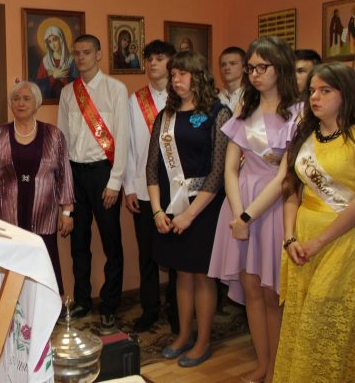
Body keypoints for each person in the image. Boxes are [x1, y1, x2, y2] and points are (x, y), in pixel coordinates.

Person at [208, 36, 301, 382]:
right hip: (240, 205)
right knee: (251, 292)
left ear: (281, 68)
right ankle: (262, 364)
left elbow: (285, 175)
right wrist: (237, 214)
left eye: (263, 67)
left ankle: (277, 368)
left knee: (270, 293)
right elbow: (230, 169)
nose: (255, 74)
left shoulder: (299, 112)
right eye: (251, 68)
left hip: (273, 208)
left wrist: (248, 216)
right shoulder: (245, 109)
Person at [274, 62, 355, 382]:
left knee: (323, 323)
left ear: (346, 94)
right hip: (302, 238)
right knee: (300, 320)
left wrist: (317, 243)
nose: (315, 97)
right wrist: (289, 238)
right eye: (312, 91)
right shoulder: (304, 136)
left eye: (325, 91)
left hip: (342, 240)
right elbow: (291, 191)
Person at [146, 51, 231, 367]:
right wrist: (157, 211)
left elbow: (218, 172)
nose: (176, 80)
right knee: (181, 274)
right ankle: (183, 336)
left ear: (199, 75)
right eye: (173, 75)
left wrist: (190, 215)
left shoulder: (218, 113)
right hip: (171, 206)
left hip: (204, 208)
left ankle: (203, 341)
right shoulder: (165, 116)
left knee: (202, 276)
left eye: (182, 73)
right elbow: (152, 167)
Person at [57, 34, 129, 335]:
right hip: (75, 173)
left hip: (104, 173)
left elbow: (123, 137)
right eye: (76, 53)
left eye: (87, 52)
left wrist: (115, 181)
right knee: (79, 242)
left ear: (99, 54)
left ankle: (110, 305)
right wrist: (64, 183)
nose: (81, 58)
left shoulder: (116, 89)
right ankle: (83, 300)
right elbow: (62, 138)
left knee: (112, 242)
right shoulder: (68, 92)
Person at [0, 81, 74, 294]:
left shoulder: (53, 134)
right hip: (7, 214)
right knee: (10, 264)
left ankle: (46, 307)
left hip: (43, 214)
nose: (20, 103)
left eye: (26, 98)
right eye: (16, 99)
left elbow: (64, 174)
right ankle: (10, 307)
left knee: (44, 263)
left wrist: (67, 211)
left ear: (37, 103)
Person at [124, 39, 179, 333]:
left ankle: (177, 309)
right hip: (145, 189)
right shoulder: (136, 100)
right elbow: (130, 146)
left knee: (176, 255)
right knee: (146, 253)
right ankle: (149, 309)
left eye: (159, 58)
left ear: (172, 62)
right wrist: (129, 187)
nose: (153, 63)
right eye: (149, 59)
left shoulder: (183, 97)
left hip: (177, 189)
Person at [35, 25, 78, 99]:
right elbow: (39, 86)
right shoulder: (45, 62)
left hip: (68, 100)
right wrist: (54, 76)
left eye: (55, 39)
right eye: (49, 42)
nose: (53, 44)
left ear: (61, 39)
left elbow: (77, 85)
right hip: (50, 101)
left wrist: (63, 79)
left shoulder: (71, 60)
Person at [217, 46, 246, 110]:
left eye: (232, 63)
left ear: (244, 67)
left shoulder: (251, 98)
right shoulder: (215, 99)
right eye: (223, 65)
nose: (227, 68)